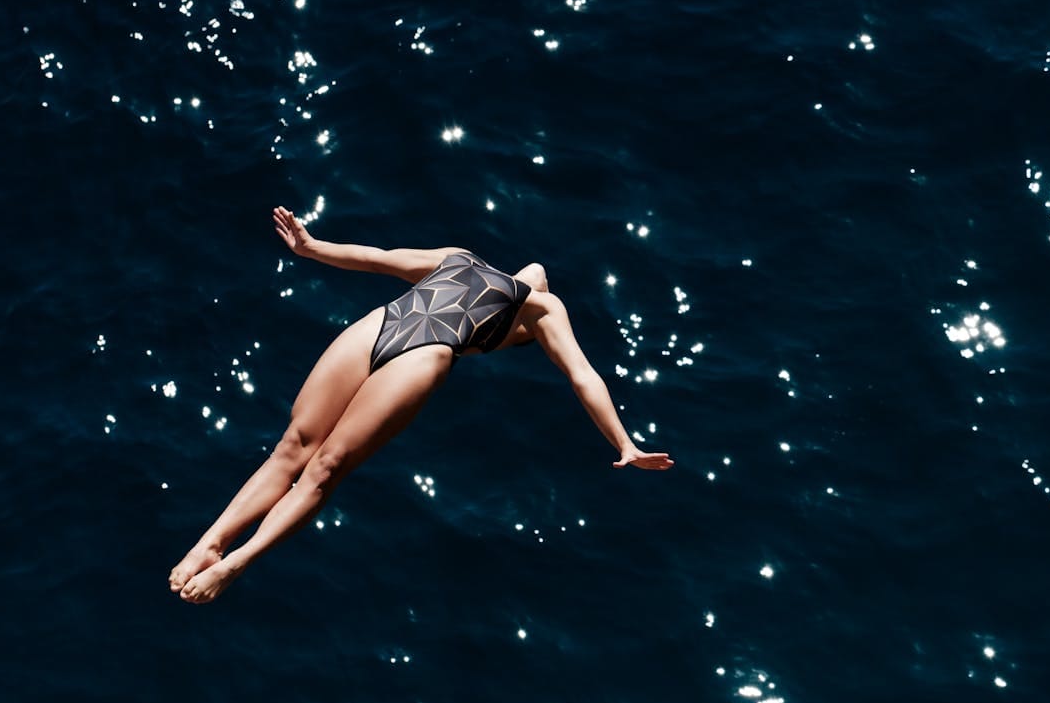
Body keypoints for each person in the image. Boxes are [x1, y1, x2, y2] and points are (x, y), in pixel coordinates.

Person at [169, 206, 673, 603]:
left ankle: (209, 543)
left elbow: (377, 257)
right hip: (426, 354)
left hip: (383, 323)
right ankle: (237, 561)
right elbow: (583, 375)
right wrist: (623, 442)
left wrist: (312, 248)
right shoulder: (541, 307)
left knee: (291, 447)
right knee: (324, 469)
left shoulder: (460, 257)